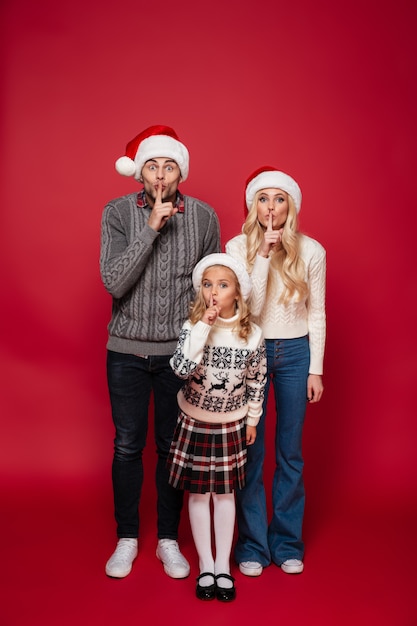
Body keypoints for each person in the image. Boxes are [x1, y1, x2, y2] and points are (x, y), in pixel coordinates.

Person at [100, 125, 221, 579]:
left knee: (173, 449)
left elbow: (210, 286)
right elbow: (114, 282)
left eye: (169, 166)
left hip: (179, 353)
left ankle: (168, 539)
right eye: (153, 165)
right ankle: (127, 537)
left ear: (180, 172)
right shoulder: (116, 212)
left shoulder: (205, 218)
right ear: (141, 174)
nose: (161, 175)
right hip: (126, 351)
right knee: (127, 445)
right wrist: (150, 229)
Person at [226, 166, 326, 577]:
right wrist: (264, 254)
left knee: (290, 453)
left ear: (292, 206)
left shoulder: (312, 250)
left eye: (279, 199)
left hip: (295, 354)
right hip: (252, 352)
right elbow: (248, 307)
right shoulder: (237, 247)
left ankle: (286, 543)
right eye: (263, 198)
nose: (271, 207)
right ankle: (252, 546)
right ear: (254, 205)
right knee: (250, 451)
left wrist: (315, 369)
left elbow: (316, 312)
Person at [167, 253, 267, 601]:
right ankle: (206, 564)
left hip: (231, 424)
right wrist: (203, 327)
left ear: (237, 294)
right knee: (198, 493)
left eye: (222, 285)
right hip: (194, 420)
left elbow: (257, 380)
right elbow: (180, 368)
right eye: (207, 285)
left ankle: (223, 566)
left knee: (224, 495)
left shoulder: (251, 335)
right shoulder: (191, 328)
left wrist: (252, 418)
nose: (213, 292)